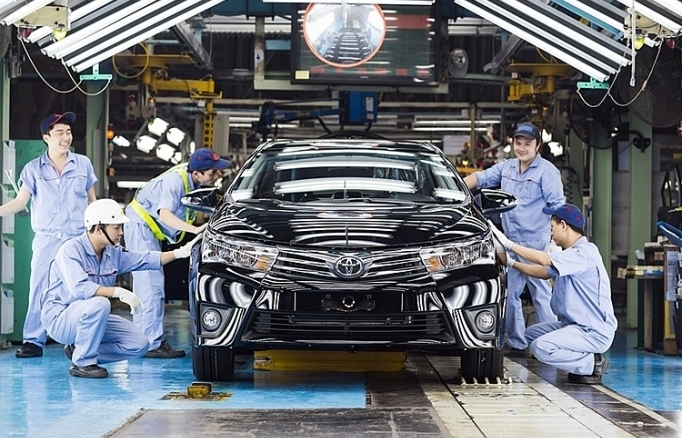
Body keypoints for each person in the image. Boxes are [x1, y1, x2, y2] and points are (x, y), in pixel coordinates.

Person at [39, 199, 200, 378]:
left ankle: (80, 350)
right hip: (61, 319)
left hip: (93, 317)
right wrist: (118, 292)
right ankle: (83, 362)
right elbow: (80, 288)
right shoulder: (71, 251)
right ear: (98, 228)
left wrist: (178, 253)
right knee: (100, 303)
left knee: (139, 344)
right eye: (116, 227)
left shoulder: (113, 253)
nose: (121, 232)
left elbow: (144, 259)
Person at [0, 112, 97, 358]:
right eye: (60, 133)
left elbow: (92, 201)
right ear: (46, 137)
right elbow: (20, 202)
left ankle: (77, 339)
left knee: (79, 289)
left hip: (77, 239)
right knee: (39, 288)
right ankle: (33, 340)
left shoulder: (83, 164)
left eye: (68, 132)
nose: (66, 137)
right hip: (47, 239)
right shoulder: (33, 169)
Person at [464, 122, 564, 355]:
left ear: (537, 145)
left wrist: (558, 238)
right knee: (510, 293)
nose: (522, 148)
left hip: (534, 242)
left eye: (527, 144)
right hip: (510, 241)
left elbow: (557, 205)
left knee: (540, 292)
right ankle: (518, 342)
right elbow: (481, 178)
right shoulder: (507, 167)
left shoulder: (547, 172)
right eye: (518, 143)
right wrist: (455, 187)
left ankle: (550, 343)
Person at [490, 204, 617, 384]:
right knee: (530, 335)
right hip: (573, 325)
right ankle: (581, 360)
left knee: (540, 347)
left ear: (563, 225)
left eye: (552, 227)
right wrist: (511, 263)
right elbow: (543, 272)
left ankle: (592, 364)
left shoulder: (585, 253)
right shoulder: (570, 256)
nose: (550, 232)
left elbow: (544, 260)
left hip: (593, 331)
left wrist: (508, 244)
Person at [124, 147, 229, 358]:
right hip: (141, 227)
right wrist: (194, 230)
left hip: (146, 229)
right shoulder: (175, 182)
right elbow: (164, 215)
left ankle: (143, 341)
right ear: (197, 173)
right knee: (151, 285)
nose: (217, 175)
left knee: (148, 285)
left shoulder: (192, 181)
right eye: (213, 171)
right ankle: (151, 344)